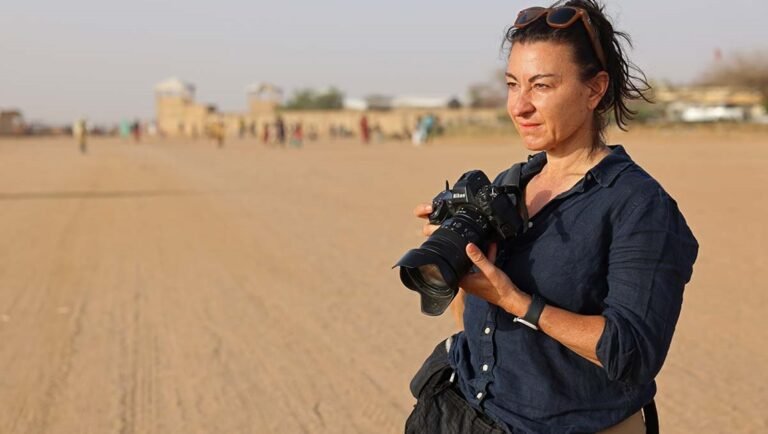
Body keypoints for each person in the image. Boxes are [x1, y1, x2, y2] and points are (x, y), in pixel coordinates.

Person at [405, 1, 699, 433]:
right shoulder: (509, 184)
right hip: (467, 413)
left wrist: (516, 301)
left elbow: (633, 352)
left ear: (594, 89)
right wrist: (453, 256)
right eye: (512, 84)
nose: (519, 106)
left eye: (541, 86)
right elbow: (472, 318)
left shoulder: (638, 206)